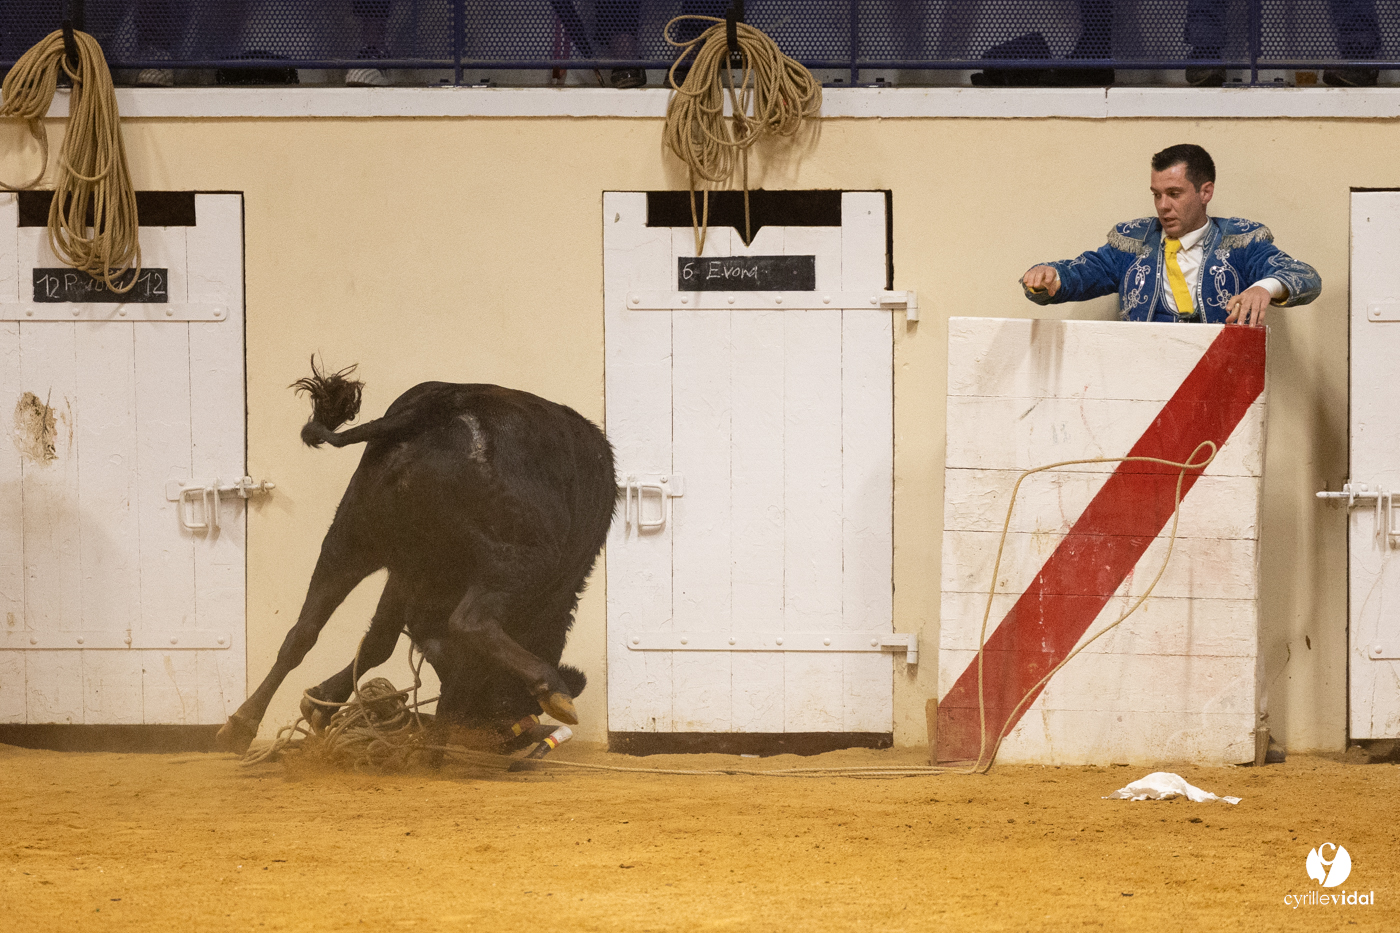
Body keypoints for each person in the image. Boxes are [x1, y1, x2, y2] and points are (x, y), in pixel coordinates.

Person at [1020, 144, 1321, 326]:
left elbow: (1305, 277)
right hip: (1146, 373)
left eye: (1174, 193)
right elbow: (1083, 274)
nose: (1163, 206)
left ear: (1206, 192)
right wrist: (1049, 276)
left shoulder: (1240, 241)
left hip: (1219, 376)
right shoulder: (1132, 243)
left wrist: (1266, 288)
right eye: (1157, 194)